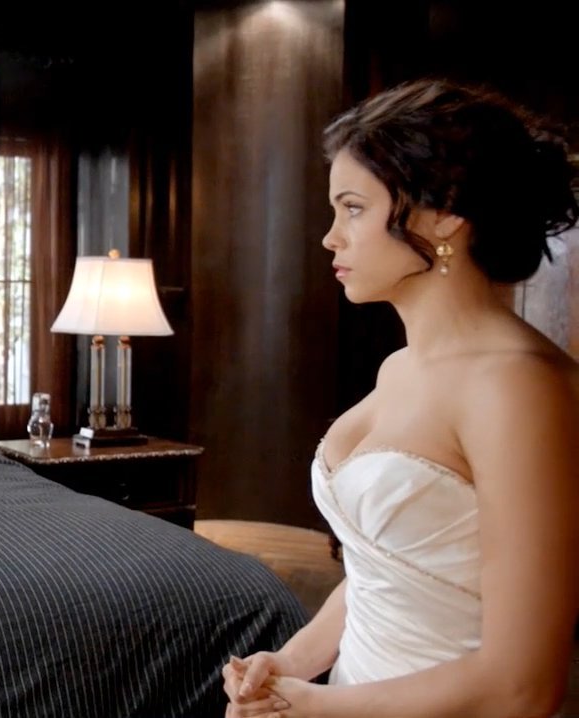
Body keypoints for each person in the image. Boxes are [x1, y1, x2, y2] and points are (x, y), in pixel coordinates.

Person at [221, 78, 579, 717]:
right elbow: (384, 570)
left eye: (353, 208)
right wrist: (292, 662)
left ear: (444, 212)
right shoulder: (398, 368)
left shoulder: (518, 388)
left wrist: (316, 709)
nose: (331, 237)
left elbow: (523, 686)